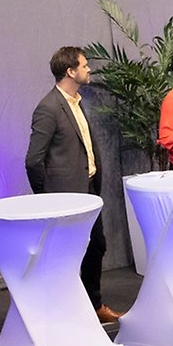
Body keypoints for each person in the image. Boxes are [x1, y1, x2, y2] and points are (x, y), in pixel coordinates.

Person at [25, 46, 121, 323]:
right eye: (84, 65)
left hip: (89, 191)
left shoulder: (77, 102)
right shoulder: (48, 108)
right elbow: (33, 160)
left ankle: (94, 306)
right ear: (70, 71)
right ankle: (63, 314)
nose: (89, 68)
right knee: (66, 258)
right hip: (65, 198)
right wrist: (48, 198)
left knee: (97, 246)